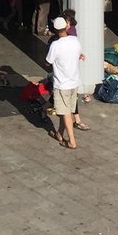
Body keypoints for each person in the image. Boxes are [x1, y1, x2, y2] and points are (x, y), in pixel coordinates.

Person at [45, 15, 86, 149]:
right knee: (65, 110)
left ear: (55, 29)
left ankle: (72, 141)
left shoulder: (55, 45)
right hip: (74, 82)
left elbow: (48, 62)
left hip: (61, 84)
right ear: (66, 27)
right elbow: (80, 54)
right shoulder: (75, 40)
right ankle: (59, 133)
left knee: (65, 112)